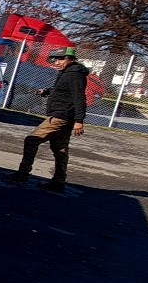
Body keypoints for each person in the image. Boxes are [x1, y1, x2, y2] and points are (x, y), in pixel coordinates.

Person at [6, 47, 89, 192]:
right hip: (63, 116)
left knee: (31, 140)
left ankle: (23, 173)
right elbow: (62, 90)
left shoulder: (74, 75)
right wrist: (47, 91)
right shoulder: (67, 73)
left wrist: (79, 121)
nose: (57, 62)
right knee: (60, 149)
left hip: (60, 117)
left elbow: (79, 98)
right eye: (54, 59)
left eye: (61, 59)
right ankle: (58, 182)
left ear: (71, 59)